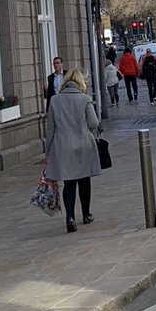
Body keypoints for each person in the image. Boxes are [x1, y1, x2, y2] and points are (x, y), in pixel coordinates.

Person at [43, 67, 101, 233]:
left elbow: (50, 130)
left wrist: (48, 153)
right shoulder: (85, 99)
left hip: (63, 146)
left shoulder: (55, 100)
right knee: (84, 180)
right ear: (80, 82)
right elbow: (93, 123)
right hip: (83, 144)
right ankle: (87, 214)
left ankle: (70, 217)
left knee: (69, 183)